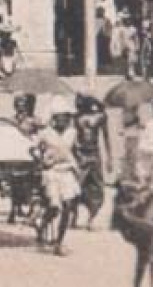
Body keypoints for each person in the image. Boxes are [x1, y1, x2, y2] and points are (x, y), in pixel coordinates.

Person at [33, 96, 83, 256]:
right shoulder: (45, 133)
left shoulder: (72, 133)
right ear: (55, 118)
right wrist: (40, 159)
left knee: (68, 206)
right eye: (62, 116)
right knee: (54, 207)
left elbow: (74, 151)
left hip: (67, 171)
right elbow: (33, 149)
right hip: (51, 172)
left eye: (68, 116)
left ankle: (59, 242)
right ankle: (42, 226)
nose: (66, 119)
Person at [74, 94, 112, 229]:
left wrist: (109, 157)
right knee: (76, 187)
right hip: (81, 154)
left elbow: (106, 137)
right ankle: (75, 216)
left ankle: (90, 218)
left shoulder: (98, 117)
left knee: (96, 187)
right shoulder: (77, 118)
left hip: (92, 153)